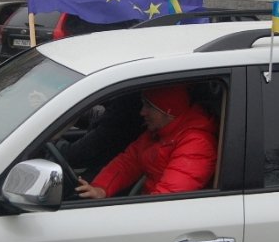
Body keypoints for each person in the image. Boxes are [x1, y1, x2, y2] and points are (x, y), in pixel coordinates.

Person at [75, 84, 218, 198]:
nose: (142, 112)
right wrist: (100, 188)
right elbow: (128, 162)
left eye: (149, 106)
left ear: (167, 111)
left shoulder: (196, 145)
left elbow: (168, 201)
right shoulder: (159, 132)